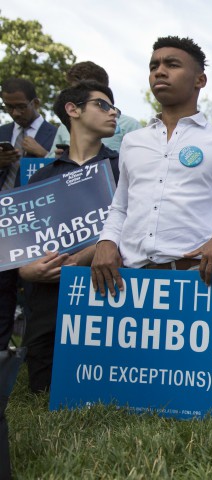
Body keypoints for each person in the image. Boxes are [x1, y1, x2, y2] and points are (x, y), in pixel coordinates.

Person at [91, 35, 212, 289]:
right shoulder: (132, 141)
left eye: (172, 65)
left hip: (193, 281)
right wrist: (106, 241)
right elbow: (120, 207)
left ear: (200, 80)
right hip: (128, 282)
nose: (159, 72)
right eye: (153, 66)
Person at [18, 80, 121, 392]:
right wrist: (29, 270)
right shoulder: (41, 178)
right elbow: (20, 248)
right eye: (102, 104)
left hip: (110, 294)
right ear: (73, 110)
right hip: (47, 300)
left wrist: (80, 258)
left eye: (115, 106)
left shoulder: (124, 169)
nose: (113, 111)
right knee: (44, 387)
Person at [0, 78, 58, 355]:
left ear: (35, 103)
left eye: (20, 106)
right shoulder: (2, 131)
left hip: (38, 222)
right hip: (4, 220)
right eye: (8, 107)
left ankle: (31, 354)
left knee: (34, 291)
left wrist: (42, 154)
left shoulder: (54, 133)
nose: (15, 113)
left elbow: (62, 173)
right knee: (2, 288)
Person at [46, 61, 142, 157]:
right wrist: (58, 159)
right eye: (73, 89)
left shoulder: (130, 125)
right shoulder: (64, 126)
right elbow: (49, 160)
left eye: (82, 89)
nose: (74, 95)